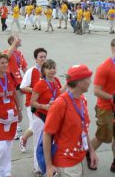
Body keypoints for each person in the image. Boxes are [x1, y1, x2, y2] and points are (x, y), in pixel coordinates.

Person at [43, 64, 98, 177]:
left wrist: (91, 151)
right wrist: (48, 166)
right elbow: (47, 134)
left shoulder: (82, 99)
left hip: (79, 157)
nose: (90, 81)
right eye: (88, 78)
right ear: (80, 83)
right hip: (66, 164)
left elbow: (84, 129)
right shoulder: (60, 104)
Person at [30, 59, 63, 176]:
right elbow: (32, 102)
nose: (52, 70)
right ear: (44, 70)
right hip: (41, 117)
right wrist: (44, 106)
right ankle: (37, 168)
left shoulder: (56, 81)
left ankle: (49, 167)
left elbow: (59, 95)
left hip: (52, 117)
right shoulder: (40, 84)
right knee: (39, 144)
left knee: (50, 144)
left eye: (54, 67)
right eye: (49, 68)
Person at [90, 38, 115, 172]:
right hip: (106, 109)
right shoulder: (104, 67)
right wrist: (113, 97)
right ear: (113, 48)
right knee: (102, 137)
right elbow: (96, 91)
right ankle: (88, 155)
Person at [19, 48, 47, 153]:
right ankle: (25, 140)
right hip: (32, 104)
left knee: (39, 127)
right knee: (36, 127)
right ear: (36, 59)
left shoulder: (47, 71)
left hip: (44, 104)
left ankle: (25, 139)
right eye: (41, 57)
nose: (43, 59)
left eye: (44, 57)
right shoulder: (31, 71)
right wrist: (35, 90)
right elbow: (22, 87)